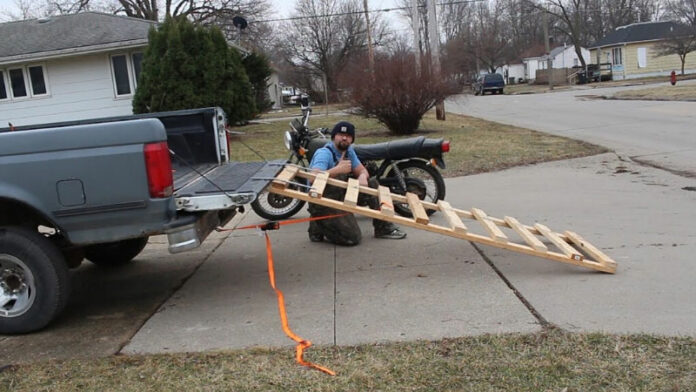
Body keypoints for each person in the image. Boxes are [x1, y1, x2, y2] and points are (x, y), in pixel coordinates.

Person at [307, 121, 407, 245]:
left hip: (340, 194)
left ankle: (383, 228)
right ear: (333, 137)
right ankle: (318, 225)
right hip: (322, 200)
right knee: (352, 238)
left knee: (372, 183)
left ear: (352, 140)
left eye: (348, 136)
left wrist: (363, 176)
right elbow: (313, 178)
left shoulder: (348, 151)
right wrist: (337, 170)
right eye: (340, 134)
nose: (344, 138)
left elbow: (362, 170)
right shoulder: (324, 154)